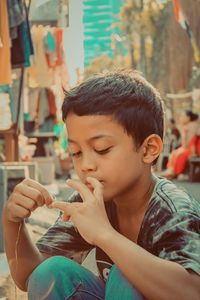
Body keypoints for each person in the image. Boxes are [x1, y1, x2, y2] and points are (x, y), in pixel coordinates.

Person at [2, 71, 200, 300]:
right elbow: (30, 277)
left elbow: (193, 291)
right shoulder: (90, 203)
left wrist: (104, 235)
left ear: (148, 149)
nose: (85, 165)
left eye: (102, 149)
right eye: (75, 152)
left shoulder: (173, 209)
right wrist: (13, 222)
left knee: (125, 275)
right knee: (52, 273)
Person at [161, 110, 200, 179]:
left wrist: (183, 133)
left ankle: (173, 172)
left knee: (180, 154)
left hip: (192, 149)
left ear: (188, 117)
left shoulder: (191, 125)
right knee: (174, 152)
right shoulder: (189, 125)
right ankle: (170, 170)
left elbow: (186, 144)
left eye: (182, 116)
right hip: (189, 148)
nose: (180, 118)